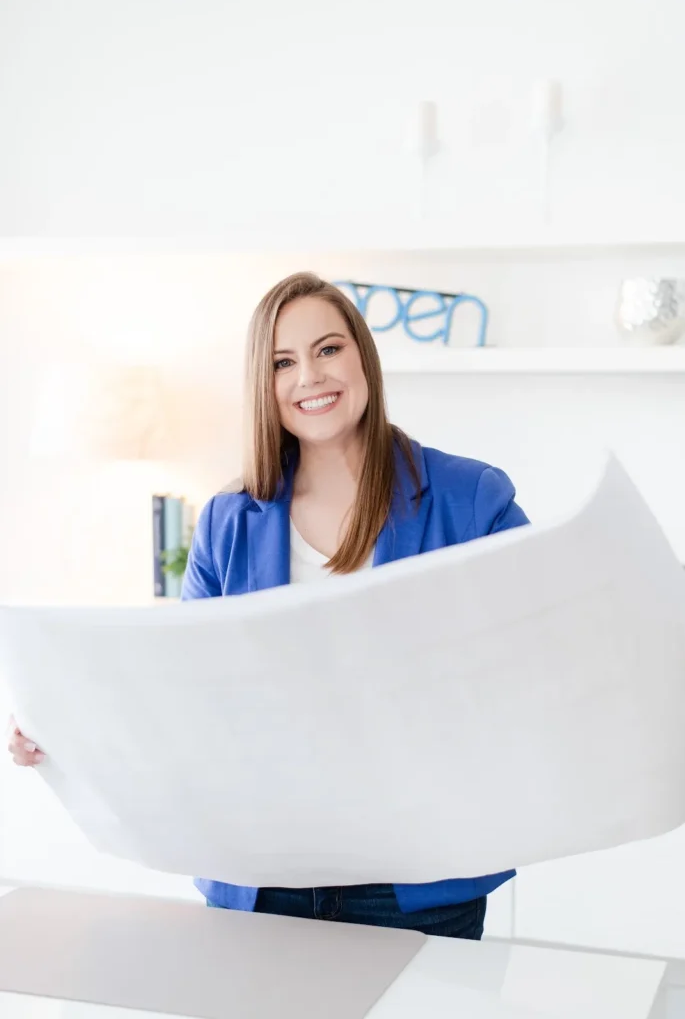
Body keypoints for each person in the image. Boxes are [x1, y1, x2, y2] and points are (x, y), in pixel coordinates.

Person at [8, 271, 529, 940]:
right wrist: (59, 725)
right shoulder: (229, 520)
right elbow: (174, 684)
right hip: (263, 872)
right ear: (263, 383)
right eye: (283, 361)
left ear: (361, 357)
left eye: (327, 349)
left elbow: (535, 647)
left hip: (415, 877)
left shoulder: (470, 497)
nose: (309, 375)